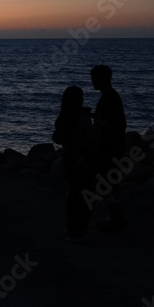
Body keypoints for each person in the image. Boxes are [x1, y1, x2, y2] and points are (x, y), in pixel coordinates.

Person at [53, 85, 95, 241]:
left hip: (67, 156)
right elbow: (90, 139)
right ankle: (77, 230)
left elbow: (56, 137)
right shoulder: (83, 119)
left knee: (72, 193)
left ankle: (69, 226)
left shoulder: (64, 117)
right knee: (85, 195)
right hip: (82, 158)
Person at [90, 64, 128, 232]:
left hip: (110, 147)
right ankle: (114, 217)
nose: (92, 81)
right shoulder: (110, 96)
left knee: (109, 183)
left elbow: (117, 124)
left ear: (101, 79)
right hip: (113, 146)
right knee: (112, 182)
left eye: (94, 78)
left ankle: (115, 218)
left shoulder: (109, 97)